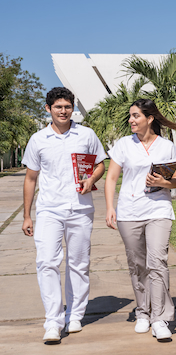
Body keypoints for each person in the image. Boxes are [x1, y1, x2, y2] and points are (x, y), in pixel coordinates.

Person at [22, 87, 107, 342]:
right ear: (48, 109)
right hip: (49, 209)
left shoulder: (87, 134)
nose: (63, 111)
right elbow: (30, 178)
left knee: (78, 264)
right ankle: (53, 320)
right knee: (46, 261)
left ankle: (75, 316)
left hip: (80, 209)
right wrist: (27, 215)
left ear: (73, 108)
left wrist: (91, 179)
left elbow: (100, 164)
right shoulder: (38, 139)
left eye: (67, 106)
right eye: (58, 107)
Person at [105, 98, 176, 340]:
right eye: (130, 116)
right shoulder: (123, 145)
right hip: (129, 212)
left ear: (149, 119)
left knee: (157, 262)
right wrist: (110, 207)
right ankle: (143, 312)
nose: (131, 120)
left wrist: (162, 182)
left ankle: (160, 318)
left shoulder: (166, 146)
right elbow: (111, 179)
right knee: (137, 265)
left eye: (136, 116)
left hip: (158, 210)